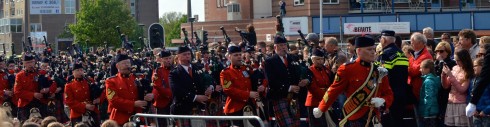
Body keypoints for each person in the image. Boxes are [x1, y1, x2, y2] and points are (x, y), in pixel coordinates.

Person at [313, 36, 394, 127]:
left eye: (373, 49)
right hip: (354, 115)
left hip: (374, 117)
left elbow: (388, 93)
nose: (373, 52)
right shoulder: (347, 69)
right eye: (369, 49)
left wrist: (383, 101)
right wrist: (321, 108)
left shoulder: (379, 70)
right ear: (358, 51)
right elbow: (334, 90)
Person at [264, 36, 306, 127]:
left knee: (296, 124)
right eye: (280, 45)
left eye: (284, 45)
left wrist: (303, 80)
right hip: (279, 96)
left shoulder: (293, 58)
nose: (283, 47)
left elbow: (300, 72)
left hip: (294, 97)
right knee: (287, 124)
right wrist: (289, 87)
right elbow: (271, 81)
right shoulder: (270, 61)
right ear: (275, 47)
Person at [169, 46, 213, 126]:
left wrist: (210, 87)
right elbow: (176, 90)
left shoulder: (198, 68)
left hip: (200, 108)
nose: (187, 56)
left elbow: (211, 79)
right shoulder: (174, 73)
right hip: (183, 109)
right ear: (178, 56)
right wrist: (195, 97)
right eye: (184, 54)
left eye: (189, 54)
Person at [219, 45, 263, 126]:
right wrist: (248, 94)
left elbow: (262, 76)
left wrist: (262, 86)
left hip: (250, 106)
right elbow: (228, 90)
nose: (239, 57)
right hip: (235, 108)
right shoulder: (226, 72)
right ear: (229, 57)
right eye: (235, 55)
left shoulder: (247, 68)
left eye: (240, 54)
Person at [105, 54, 153, 125]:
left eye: (128, 63)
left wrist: (151, 95)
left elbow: (150, 90)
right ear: (117, 66)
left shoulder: (138, 77)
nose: (127, 65)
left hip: (138, 117)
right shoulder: (111, 81)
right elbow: (113, 101)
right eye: (124, 63)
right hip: (120, 119)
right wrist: (133, 104)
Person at [377, 30, 409, 127]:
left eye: (380, 39)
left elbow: (381, 77)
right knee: (399, 121)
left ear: (383, 40)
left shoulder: (385, 54)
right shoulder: (401, 53)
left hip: (389, 95)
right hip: (401, 93)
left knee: (388, 122)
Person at [14, 53, 56, 122]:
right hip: (25, 105)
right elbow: (17, 92)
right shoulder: (19, 76)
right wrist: (33, 94)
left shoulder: (42, 73)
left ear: (35, 62)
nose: (30, 64)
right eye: (28, 63)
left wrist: (48, 89)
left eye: (32, 62)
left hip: (41, 103)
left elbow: (54, 84)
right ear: (24, 63)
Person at [441, 49, 473, 126]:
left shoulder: (469, 71)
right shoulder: (455, 68)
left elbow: (462, 90)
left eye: (458, 60)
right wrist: (443, 75)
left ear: (464, 59)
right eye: (455, 60)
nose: (456, 62)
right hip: (451, 102)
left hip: (461, 104)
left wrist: (451, 76)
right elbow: (446, 86)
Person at [65, 62, 102, 126]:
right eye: (77, 70)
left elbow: (98, 92)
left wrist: (99, 99)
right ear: (73, 72)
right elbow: (70, 102)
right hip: (77, 114)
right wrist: (85, 106)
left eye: (81, 70)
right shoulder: (69, 85)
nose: (80, 72)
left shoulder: (89, 80)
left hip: (93, 112)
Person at [305, 49, 333, 126]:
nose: (320, 61)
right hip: (314, 103)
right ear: (313, 60)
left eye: (322, 59)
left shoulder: (326, 70)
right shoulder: (309, 71)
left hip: (326, 101)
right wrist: (326, 98)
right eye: (318, 59)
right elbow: (313, 88)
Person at [433, 41, 456, 126]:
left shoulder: (452, 63)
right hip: (437, 94)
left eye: (441, 51)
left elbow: (441, 74)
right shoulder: (436, 63)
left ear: (448, 52)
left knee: (445, 118)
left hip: (446, 94)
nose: (439, 53)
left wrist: (441, 62)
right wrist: (437, 62)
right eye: (437, 51)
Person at [408, 32, 433, 104]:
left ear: (420, 43)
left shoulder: (425, 56)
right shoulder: (414, 54)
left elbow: (414, 71)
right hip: (414, 89)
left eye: (412, 43)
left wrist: (407, 68)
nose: (411, 45)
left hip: (420, 90)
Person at [151, 50, 173, 127]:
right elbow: (157, 86)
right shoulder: (158, 71)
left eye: (170, 58)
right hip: (162, 103)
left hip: (174, 102)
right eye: (166, 58)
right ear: (161, 59)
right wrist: (172, 94)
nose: (168, 60)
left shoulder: (175, 69)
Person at [418, 59, 440, 127]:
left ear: (428, 69)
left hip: (429, 113)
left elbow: (429, 97)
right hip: (432, 111)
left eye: (421, 68)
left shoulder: (428, 81)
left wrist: (426, 113)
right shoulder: (433, 79)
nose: (420, 70)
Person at [470, 57, 490, 127]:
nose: (473, 68)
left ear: (483, 66)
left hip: (487, 115)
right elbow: (469, 96)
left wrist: (486, 110)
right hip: (476, 114)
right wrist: (473, 109)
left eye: (475, 66)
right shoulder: (473, 81)